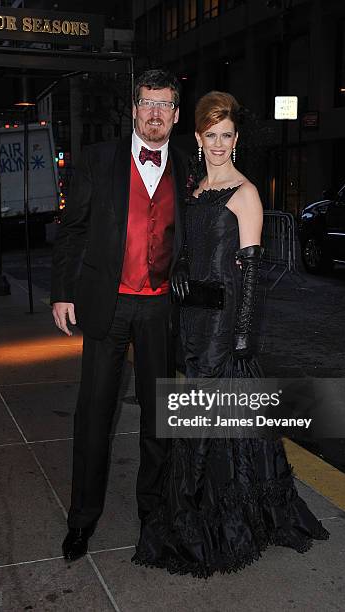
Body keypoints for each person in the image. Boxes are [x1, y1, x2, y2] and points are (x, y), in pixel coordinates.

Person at [132, 91, 329, 578]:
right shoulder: (196, 188)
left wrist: (241, 340)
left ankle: (213, 516)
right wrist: (178, 267)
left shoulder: (246, 195)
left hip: (224, 327)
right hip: (194, 322)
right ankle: (215, 506)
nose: (219, 143)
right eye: (210, 135)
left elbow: (252, 277)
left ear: (235, 139)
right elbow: (191, 248)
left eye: (227, 135)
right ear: (197, 138)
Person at [50, 69, 188, 562]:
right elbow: (72, 229)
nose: (155, 113)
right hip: (107, 302)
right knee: (94, 415)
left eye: (165, 105)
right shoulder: (99, 159)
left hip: (159, 306)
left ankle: (152, 512)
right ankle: (81, 520)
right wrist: (62, 292)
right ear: (134, 109)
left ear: (175, 113)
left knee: (159, 416)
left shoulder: (189, 164)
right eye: (148, 103)